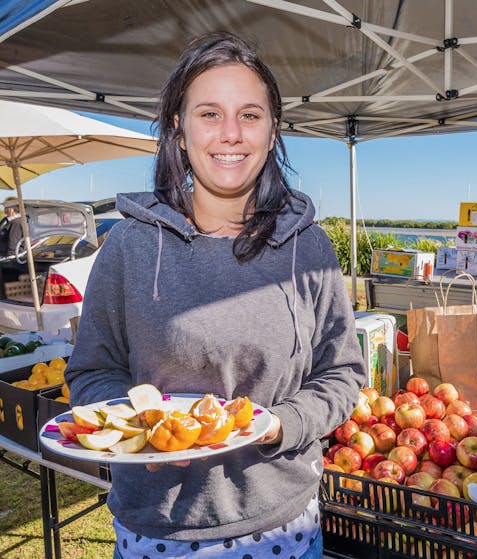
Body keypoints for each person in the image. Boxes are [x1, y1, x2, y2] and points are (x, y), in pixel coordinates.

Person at [64, 31, 366, 559]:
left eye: (250, 115)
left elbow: (343, 373)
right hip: (157, 530)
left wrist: (283, 424)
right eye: (209, 114)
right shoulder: (130, 246)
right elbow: (92, 372)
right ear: (178, 131)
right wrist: (141, 431)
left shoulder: (309, 246)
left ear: (272, 133)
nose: (231, 134)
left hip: (283, 527)